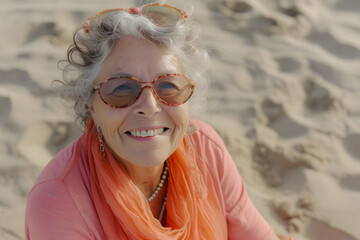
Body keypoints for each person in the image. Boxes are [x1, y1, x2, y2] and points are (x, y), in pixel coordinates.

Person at [25, 3, 292, 240]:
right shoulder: (57, 202)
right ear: (89, 104)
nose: (149, 107)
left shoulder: (205, 149)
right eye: (121, 89)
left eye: (168, 86)